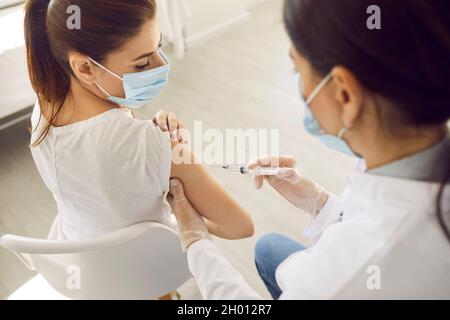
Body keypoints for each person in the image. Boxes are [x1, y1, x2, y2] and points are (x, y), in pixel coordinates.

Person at [167, 0, 450, 299]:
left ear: (344, 94)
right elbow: (369, 212)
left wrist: (197, 244)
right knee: (269, 248)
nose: (301, 87)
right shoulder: (403, 158)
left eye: (297, 69)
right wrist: (318, 201)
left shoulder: (350, 271)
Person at [25, 0, 253, 241]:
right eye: (142, 62)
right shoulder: (157, 148)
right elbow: (239, 227)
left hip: (77, 246)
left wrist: (147, 139)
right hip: (146, 262)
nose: (162, 64)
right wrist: (171, 159)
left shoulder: (44, 107)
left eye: (159, 45)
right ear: (85, 68)